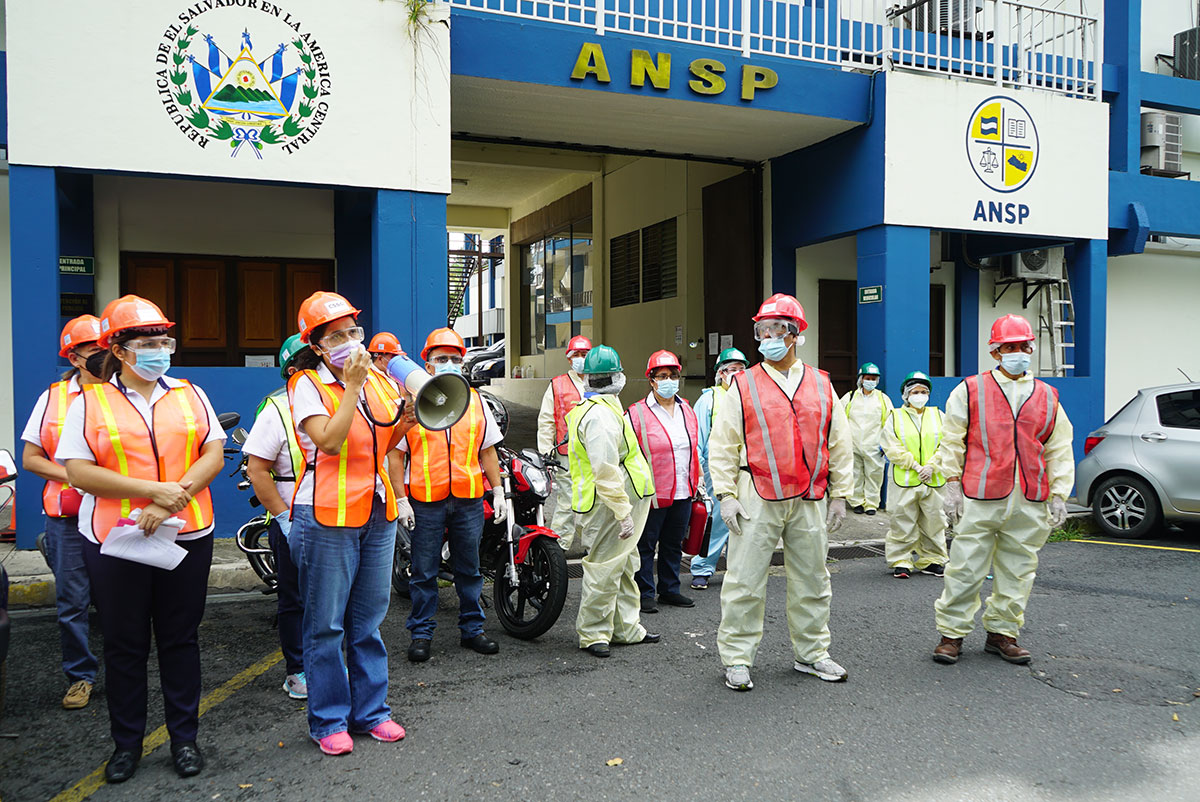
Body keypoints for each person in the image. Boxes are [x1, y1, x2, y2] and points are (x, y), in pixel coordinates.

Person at [58, 295, 226, 783]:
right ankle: (126, 744)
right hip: (116, 540)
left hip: (187, 534)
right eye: (149, 343)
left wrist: (170, 499)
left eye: (164, 342)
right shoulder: (88, 401)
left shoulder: (190, 393)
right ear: (122, 350)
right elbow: (78, 471)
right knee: (125, 644)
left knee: (180, 639)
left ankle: (184, 740)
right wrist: (149, 492)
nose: (160, 351)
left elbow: (213, 452)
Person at [709, 294, 853, 691]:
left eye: (776, 329)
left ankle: (812, 654)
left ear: (795, 335)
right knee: (744, 579)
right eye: (762, 330)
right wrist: (725, 494)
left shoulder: (822, 384)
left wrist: (840, 493)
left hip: (808, 496)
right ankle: (737, 659)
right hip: (756, 493)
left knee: (812, 579)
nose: (767, 337)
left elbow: (838, 441)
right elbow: (723, 444)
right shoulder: (743, 384)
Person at [288, 291, 411, 755]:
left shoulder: (380, 381)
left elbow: (384, 441)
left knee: (368, 620)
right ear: (317, 346)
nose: (350, 340)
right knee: (325, 626)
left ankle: (372, 713)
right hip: (325, 515)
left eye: (353, 331)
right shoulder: (306, 385)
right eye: (336, 335)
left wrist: (410, 418)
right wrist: (354, 386)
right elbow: (331, 442)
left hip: (376, 509)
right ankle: (328, 720)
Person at [931, 314, 1073, 666]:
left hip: (1029, 496)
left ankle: (1003, 633)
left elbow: (1059, 446)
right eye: (1010, 347)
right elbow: (953, 440)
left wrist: (1059, 493)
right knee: (965, 567)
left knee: (1019, 568)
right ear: (996, 352)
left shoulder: (1047, 395)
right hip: (981, 495)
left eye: (1024, 346)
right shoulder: (970, 390)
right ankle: (952, 634)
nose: (1018, 353)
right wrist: (951, 485)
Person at [398, 327, 504, 664]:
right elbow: (394, 454)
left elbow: (487, 451)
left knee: (470, 569)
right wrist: (401, 498)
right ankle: (421, 633)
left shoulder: (475, 402)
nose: (449, 364)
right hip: (426, 500)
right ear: (427, 366)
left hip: (468, 498)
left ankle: (473, 629)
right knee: (424, 571)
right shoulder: (409, 404)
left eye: (455, 359)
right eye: (441, 359)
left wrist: (499, 490)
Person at [20, 315, 105, 711]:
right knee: (72, 602)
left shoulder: (121, 394)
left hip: (113, 513)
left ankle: (126, 669)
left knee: (121, 599)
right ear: (74, 357)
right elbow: (32, 458)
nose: (104, 357)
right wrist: (76, 476)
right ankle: (81, 676)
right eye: (94, 351)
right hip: (68, 517)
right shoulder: (52, 398)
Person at [241, 334, 322, 699]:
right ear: (293, 370)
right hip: (291, 511)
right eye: (310, 361)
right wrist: (284, 518)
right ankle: (297, 671)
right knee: (294, 598)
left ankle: (330, 663)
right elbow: (258, 471)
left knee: (332, 598)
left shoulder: (333, 398)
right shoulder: (275, 406)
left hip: (334, 512)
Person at [566, 345, 660, 657]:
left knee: (624, 566)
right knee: (605, 570)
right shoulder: (601, 417)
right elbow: (605, 470)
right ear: (616, 377)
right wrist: (623, 512)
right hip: (608, 507)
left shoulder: (602, 408)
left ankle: (625, 629)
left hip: (610, 504)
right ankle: (594, 634)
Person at [627, 350, 700, 613]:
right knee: (646, 544)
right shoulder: (635, 413)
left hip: (684, 489)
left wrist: (697, 482)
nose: (669, 380)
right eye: (662, 376)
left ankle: (670, 589)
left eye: (673, 375)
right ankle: (644, 592)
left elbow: (693, 449)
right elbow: (627, 454)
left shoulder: (687, 410)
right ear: (651, 380)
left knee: (673, 543)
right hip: (652, 492)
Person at [880, 371, 949, 579]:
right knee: (902, 520)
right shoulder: (895, 417)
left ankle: (933, 560)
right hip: (905, 480)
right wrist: (915, 466)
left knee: (934, 520)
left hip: (934, 478)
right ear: (906, 395)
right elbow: (891, 446)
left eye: (923, 391)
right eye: (915, 392)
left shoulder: (938, 415)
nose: (920, 395)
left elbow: (946, 444)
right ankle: (901, 560)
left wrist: (931, 466)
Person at [690, 348, 748, 590]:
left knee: (746, 520)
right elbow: (697, 438)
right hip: (717, 470)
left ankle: (741, 571)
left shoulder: (750, 397)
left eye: (741, 370)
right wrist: (700, 472)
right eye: (732, 370)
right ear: (721, 373)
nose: (737, 374)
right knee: (716, 521)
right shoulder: (709, 399)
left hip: (746, 470)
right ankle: (702, 568)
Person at [535, 335, 591, 551]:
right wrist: (546, 452)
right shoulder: (557, 385)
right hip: (566, 454)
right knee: (567, 499)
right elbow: (547, 420)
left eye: (584, 355)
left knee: (592, 499)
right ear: (569, 359)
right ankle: (559, 546)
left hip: (593, 453)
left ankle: (590, 543)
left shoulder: (599, 381)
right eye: (576, 355)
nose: (580, 359)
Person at [841, 362, 894, 515]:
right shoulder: (850, 397)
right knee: (855, 474)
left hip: (874, 445)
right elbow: (839, 418)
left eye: (873, 378)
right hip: (853, 444)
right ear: (861, 379)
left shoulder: (883, 399)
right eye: (867, 378)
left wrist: (886, 443)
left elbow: (890, 422)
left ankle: (871, 504)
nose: (870, 381)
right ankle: (856, 501)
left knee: (874, 475)